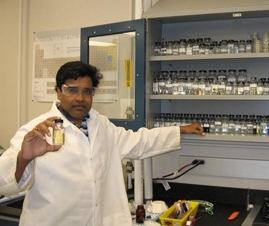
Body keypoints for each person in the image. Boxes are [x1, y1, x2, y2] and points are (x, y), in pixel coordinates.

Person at [0, 61, 204, 226]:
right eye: (72, 90)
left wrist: (181, 130)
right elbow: (4, 183)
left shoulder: (101, 125)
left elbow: (138, 141)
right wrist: (23, 158)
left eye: (87, 92)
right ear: (58, 92)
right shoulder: (35, 131)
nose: (80, 98)